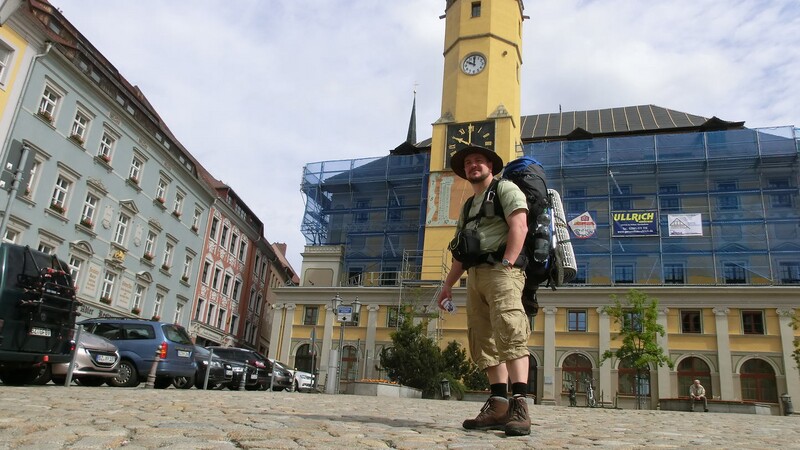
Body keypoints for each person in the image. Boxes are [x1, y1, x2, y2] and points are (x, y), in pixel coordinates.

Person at [437, 145, 531, 437]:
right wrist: (447, 286)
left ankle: (520, 405)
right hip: (475, 276)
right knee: (482, 339)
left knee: (510, 331)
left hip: (502, 272)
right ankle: (499, 405)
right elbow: (461, 252)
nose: (473, 166)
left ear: (491, 165)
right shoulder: (467, 206)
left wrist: (507, 263)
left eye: (478, 161)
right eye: (468, 163)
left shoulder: (506, 189)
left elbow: (520, 226)